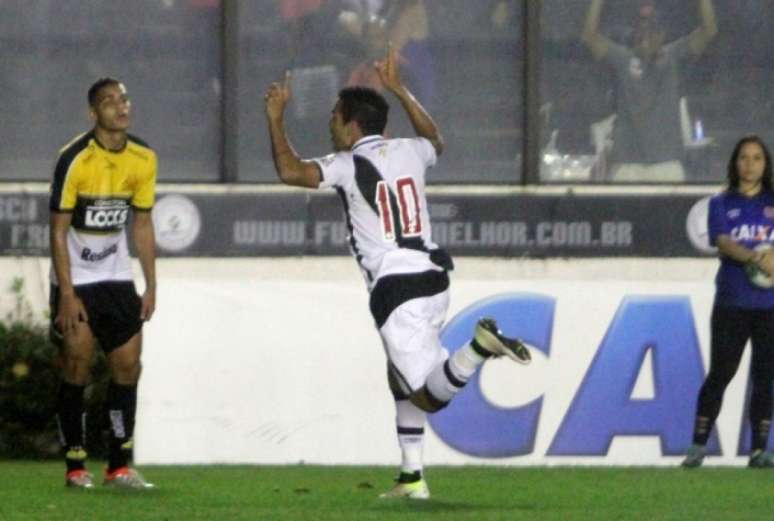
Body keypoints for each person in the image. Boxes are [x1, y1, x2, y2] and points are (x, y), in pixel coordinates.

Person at [264, 46, 531, 499]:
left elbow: (290, 170)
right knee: (399, 379)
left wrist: (275, 117)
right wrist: (400, 88)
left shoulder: (348, 165)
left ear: (351, 125)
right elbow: (436, 141)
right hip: (432, 275)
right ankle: (411, 477)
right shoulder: (409, 150)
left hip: (396, 287)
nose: (330, 123)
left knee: (429, 395)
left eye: (334, 116)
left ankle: (479, 348)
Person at [49, 78, 157, 489]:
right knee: (77, 362)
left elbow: (142, 224)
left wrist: (151, 285)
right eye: (109, 102)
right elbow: (58, 230)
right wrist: (67, 293)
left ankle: (119, 465)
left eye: (124, 99)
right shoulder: (74, 158)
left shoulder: (144, 157)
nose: (120, 106)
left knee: (128, 366)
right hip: (76, 275)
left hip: (116, 275)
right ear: (93, 114)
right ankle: (75, 464)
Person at [682, 136, 774, 468]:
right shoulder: (721, 203)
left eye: (757, 158)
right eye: (744, 158)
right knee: (721, 372)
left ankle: (760, 450)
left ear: (766, 164)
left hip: (769, 307)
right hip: (732, 303)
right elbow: (723, 242)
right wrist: (756, 257)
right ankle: (697, 446)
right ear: (735, 163)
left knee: (765, 377)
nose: (750, 164)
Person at [582, 0, 717, 182]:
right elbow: (590, 36)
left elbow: (709, 30)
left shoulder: (674, 56)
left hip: (667, 163)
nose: (646, 36)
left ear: (662, 35)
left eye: (653, 30)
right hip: (627, 165)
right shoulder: (623, 58)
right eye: (642, 30)